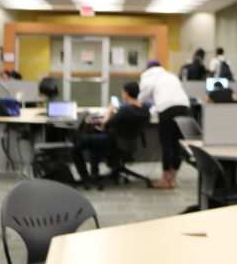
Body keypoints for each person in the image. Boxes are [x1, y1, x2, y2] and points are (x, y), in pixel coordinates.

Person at [72, 82, 150, 186]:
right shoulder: (145, 109)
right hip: (132, 142)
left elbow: (105, 125)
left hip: (115, 142)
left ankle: (86, 178)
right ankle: (94, 175)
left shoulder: (125, 110)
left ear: (126, 94)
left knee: (75, 145)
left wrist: (109, 110)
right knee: (94, 142)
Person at [139, 60, 191, 189]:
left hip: (167, 109)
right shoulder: (170, 75)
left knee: (166, 144)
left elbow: (142, 98)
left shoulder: (148, 76)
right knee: (177, 143)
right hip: (184, 106)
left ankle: (164, 180)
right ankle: (173, 180)